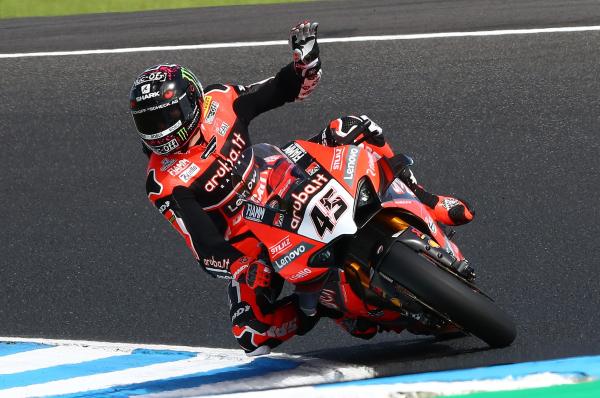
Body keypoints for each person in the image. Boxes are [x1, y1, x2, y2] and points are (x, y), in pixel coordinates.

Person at [130, 22, 322, 356]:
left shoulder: (218, 101)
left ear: (192, 102)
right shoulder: (164, 180)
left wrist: (300, 68)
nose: (160, 131)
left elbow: (275, 90)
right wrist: (241, 267)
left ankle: (430, 202)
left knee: (352, 130)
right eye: (150, 123)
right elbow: (204, 245)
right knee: (250, 332)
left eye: (166, 117)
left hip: (281, 180)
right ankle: (319, 307)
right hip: (251, 238)